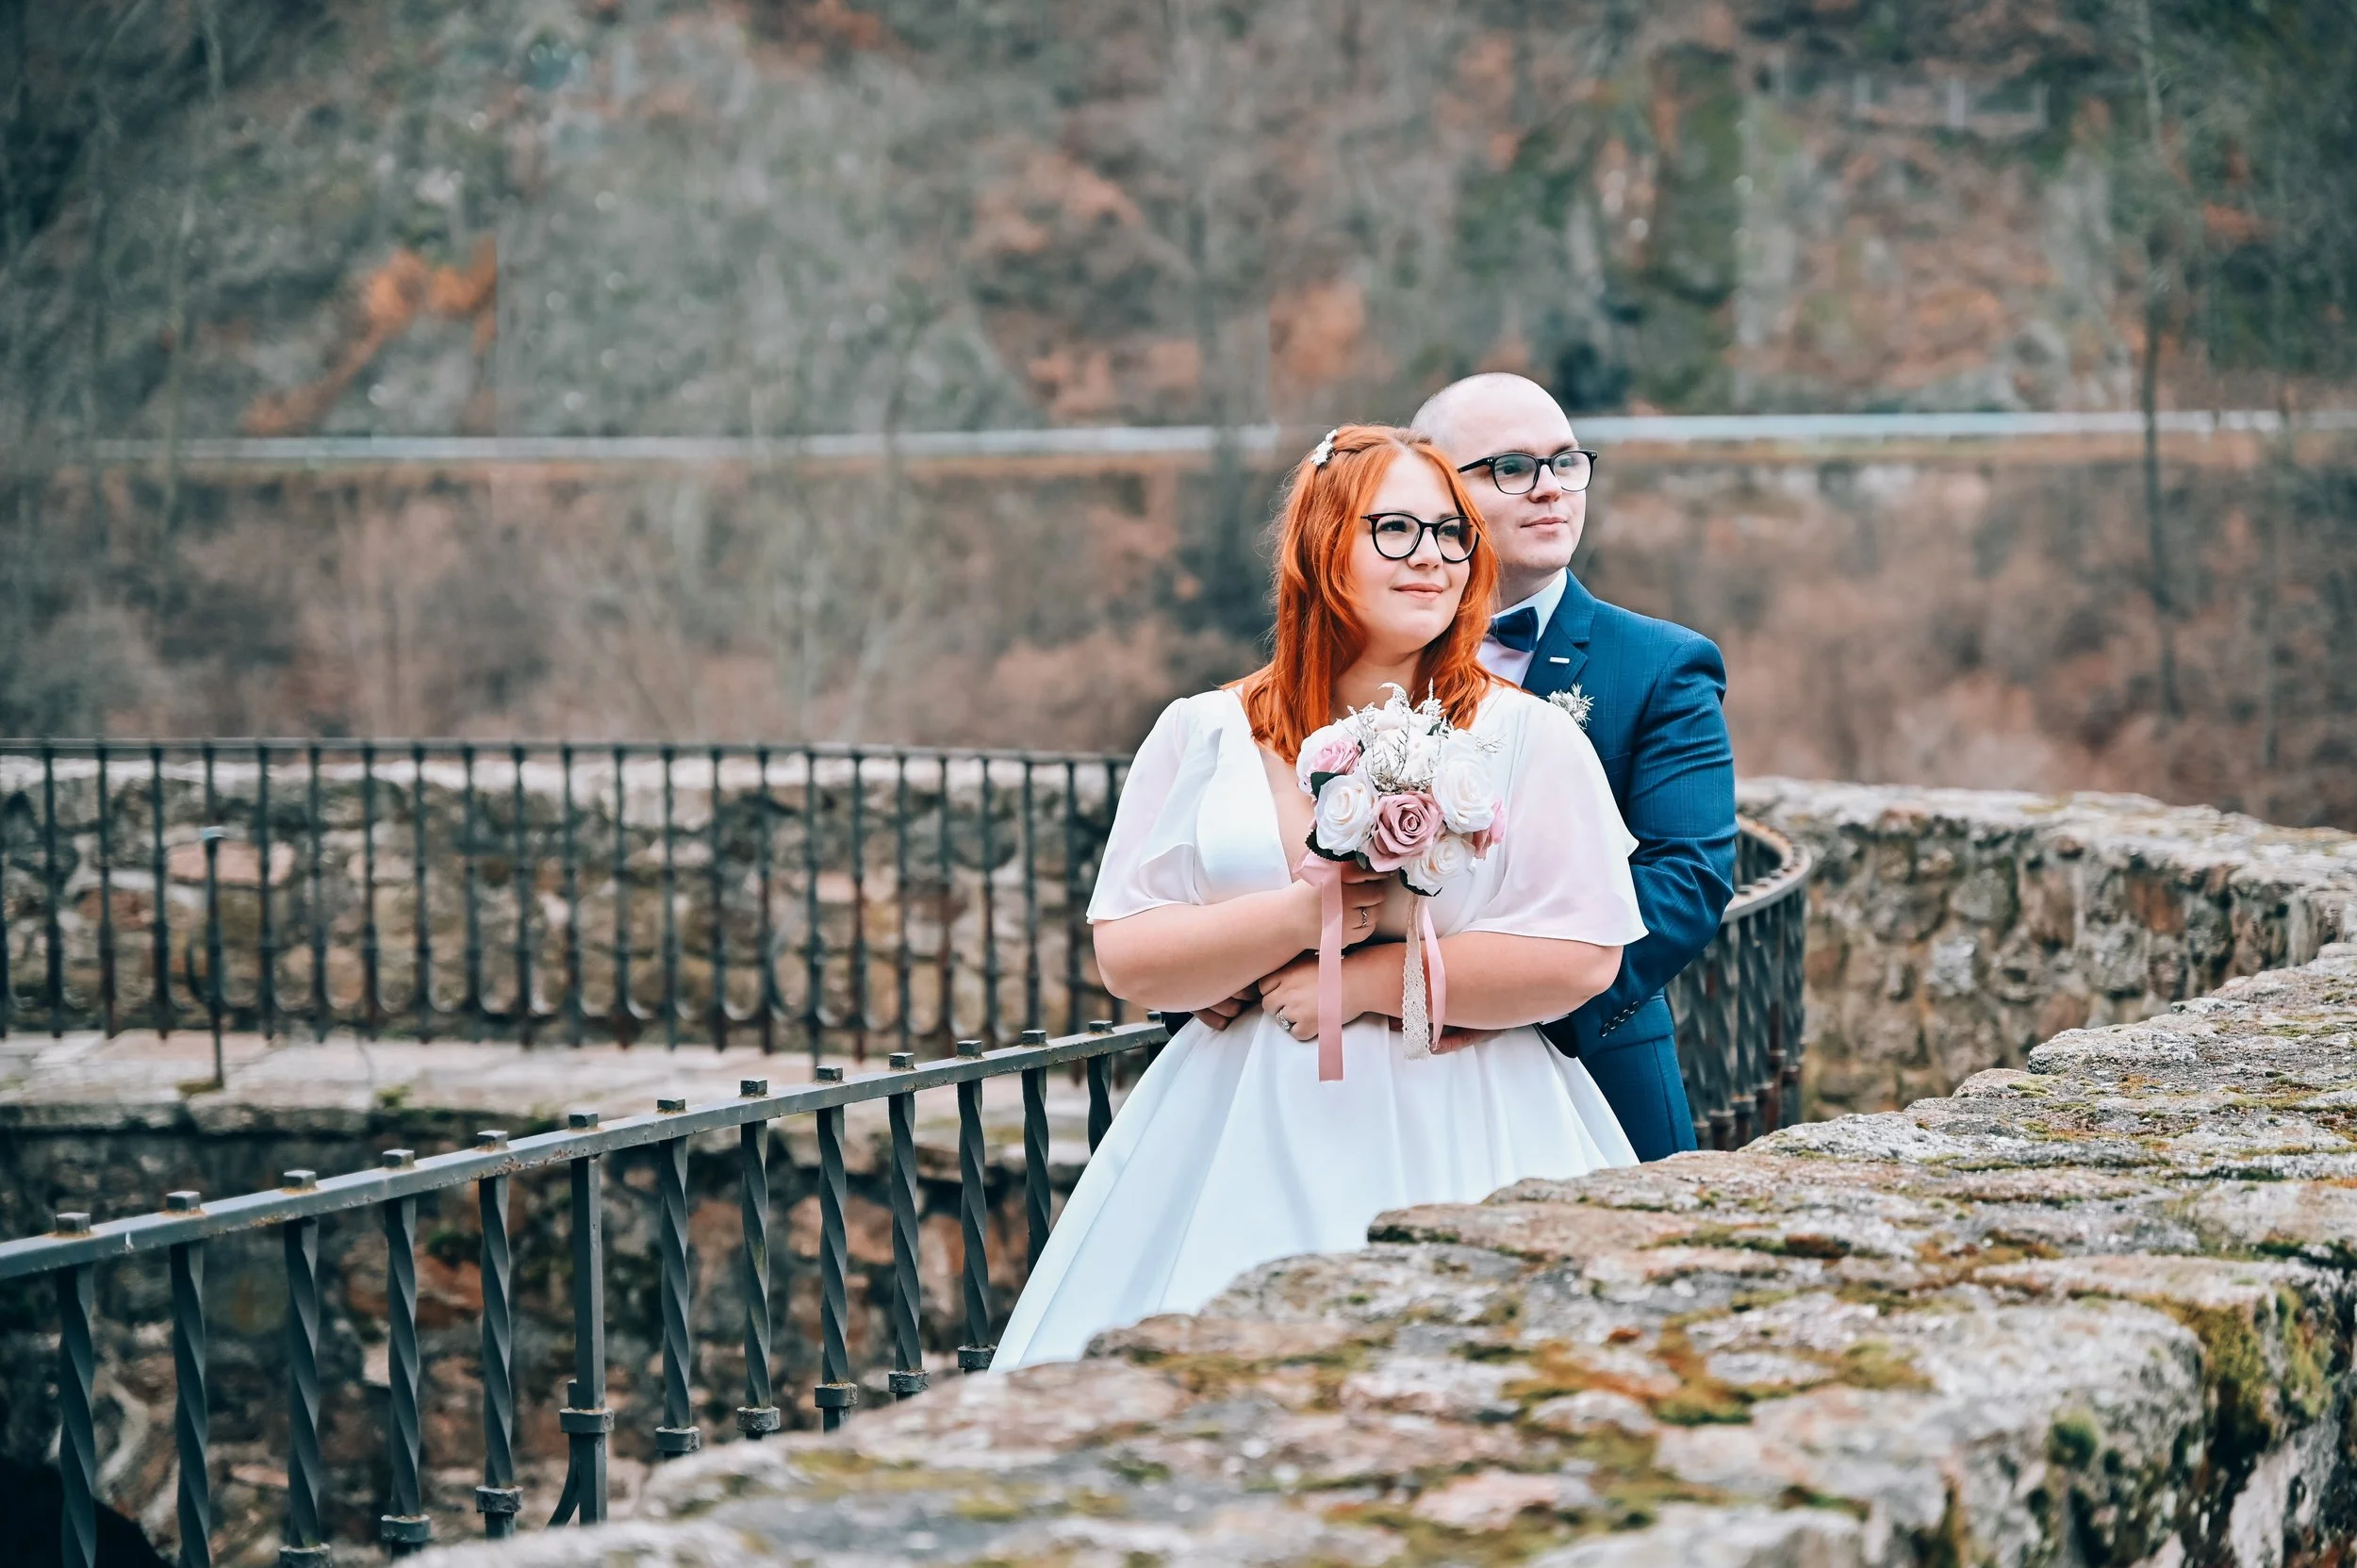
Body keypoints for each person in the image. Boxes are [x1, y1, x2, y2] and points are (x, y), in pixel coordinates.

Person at [992, 424, 1645, 1370]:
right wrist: (1302, 918)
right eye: (1394, 529)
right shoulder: (1202, 732)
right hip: (1237, 1118)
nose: (1431, 556)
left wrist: (1370, 981)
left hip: (1465, 1114)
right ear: (1320, 546)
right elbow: (1128, 951)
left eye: (1450, 533)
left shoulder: (1529, 740)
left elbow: (1583, 957)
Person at [1411, 372, 1738, 1161]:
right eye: (1513, 468)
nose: (1551, 489)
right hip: (1385, 1075)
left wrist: (1513, 993)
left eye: (1566, 462)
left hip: (1588, 1062)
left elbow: (1688, 876)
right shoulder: (1375, 655)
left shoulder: (1663, 664)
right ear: (1431, 490)